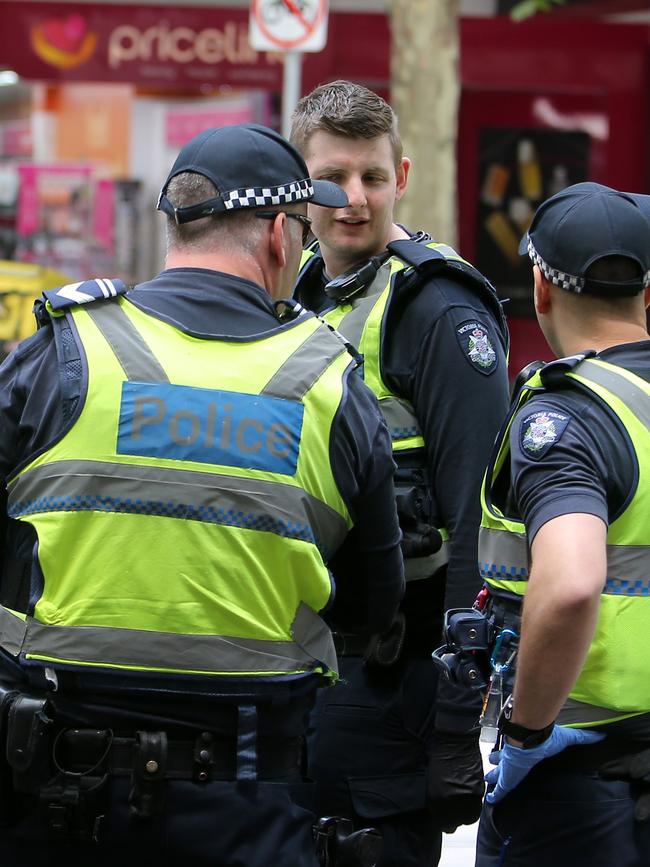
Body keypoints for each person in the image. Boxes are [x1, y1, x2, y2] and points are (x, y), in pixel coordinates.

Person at [0, 123, 405, 866]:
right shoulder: (329, 386)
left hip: (50, 796)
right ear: (281, 237)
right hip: (247, 801)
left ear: (176, 228)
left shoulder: (63, 349)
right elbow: (373, 603)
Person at [290, 80, 510, 866]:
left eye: (373, 178)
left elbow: (480, 522)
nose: (355, 199)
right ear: (297, 187)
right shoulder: (300, 291)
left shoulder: (439, 310)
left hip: (398, 678)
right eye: (332, 179)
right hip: (306, 664)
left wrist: (458, 715)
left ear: (403, 176)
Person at [475, 183, 650, 867]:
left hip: (587, 786)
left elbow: (572, 585)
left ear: (541, 288)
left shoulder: (569, 417)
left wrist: (523, 737)